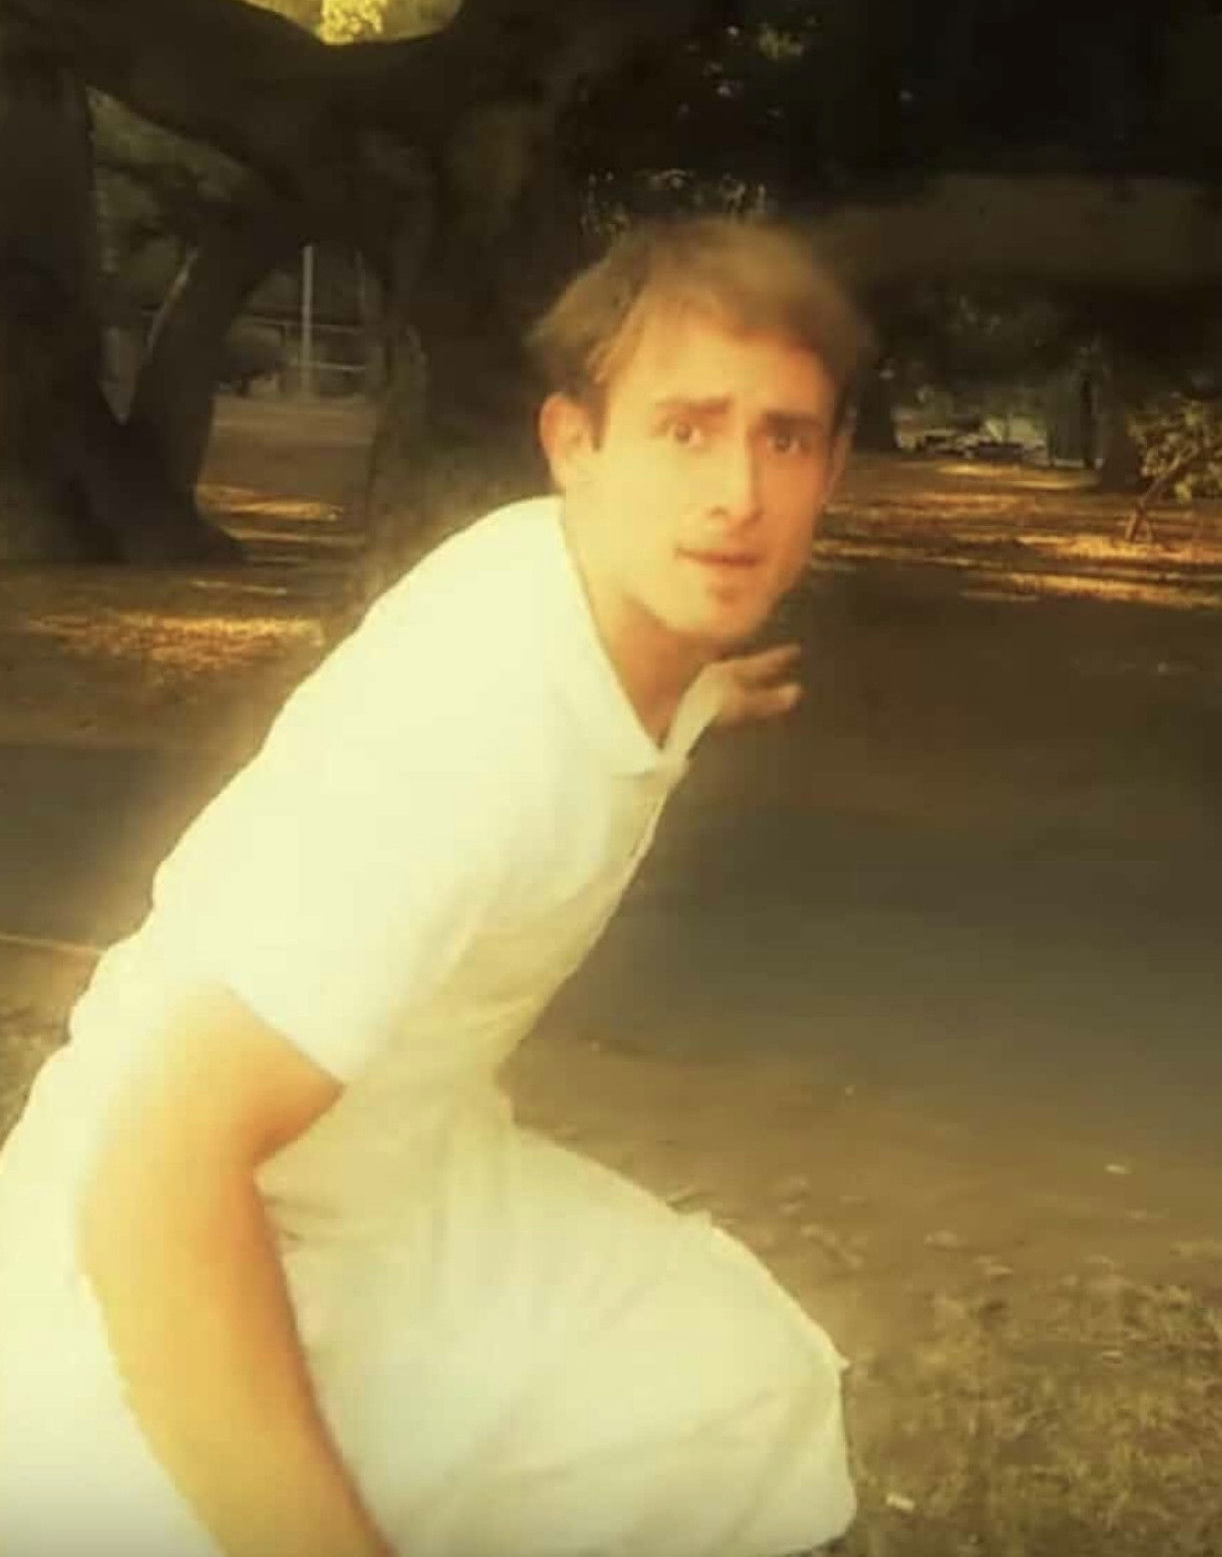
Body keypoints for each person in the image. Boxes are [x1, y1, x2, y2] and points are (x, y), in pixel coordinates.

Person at [0, 216, 869, 1557]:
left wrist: (703, 692)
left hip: (399, 1189)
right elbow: (156, 1180)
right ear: (575, 444)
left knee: (732, 1384)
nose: (738, 495)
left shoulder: (603, 600)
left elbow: (613, 701)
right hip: (134, 1262)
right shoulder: (476, 739)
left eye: (785, 438)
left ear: (834, 467)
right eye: (686, 429)